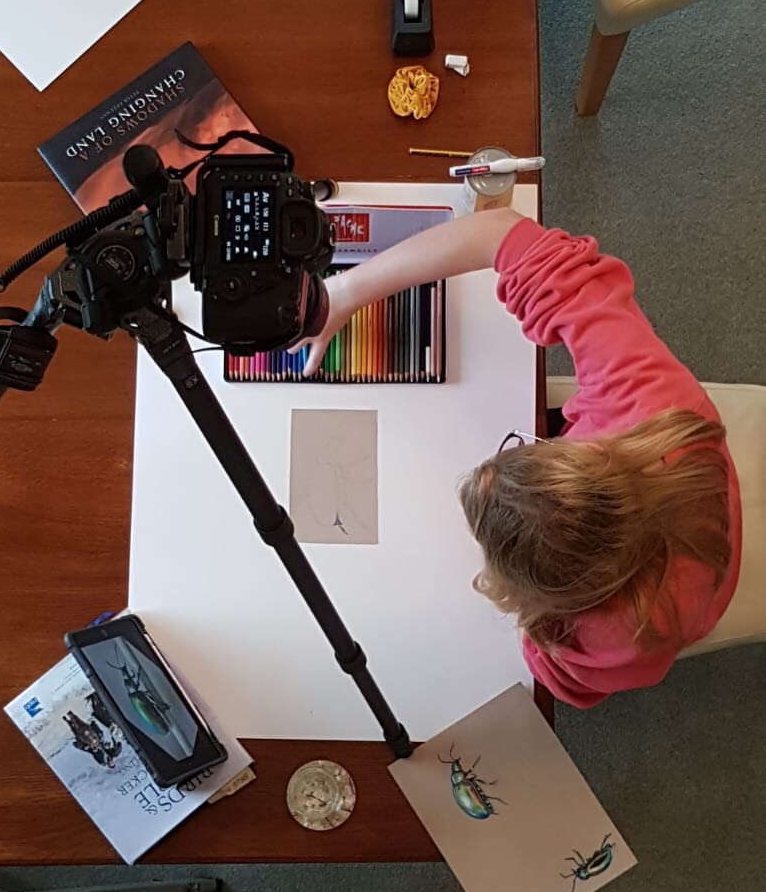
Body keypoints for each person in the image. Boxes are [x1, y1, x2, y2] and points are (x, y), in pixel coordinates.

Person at [298, 209, 741, 708]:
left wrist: (531, 634)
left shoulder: (622, 636)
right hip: (696, 505)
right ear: (589, 461)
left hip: (693, 588)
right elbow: (500, 233)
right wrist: (344, 293)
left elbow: (563, 682)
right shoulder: (650, 400)